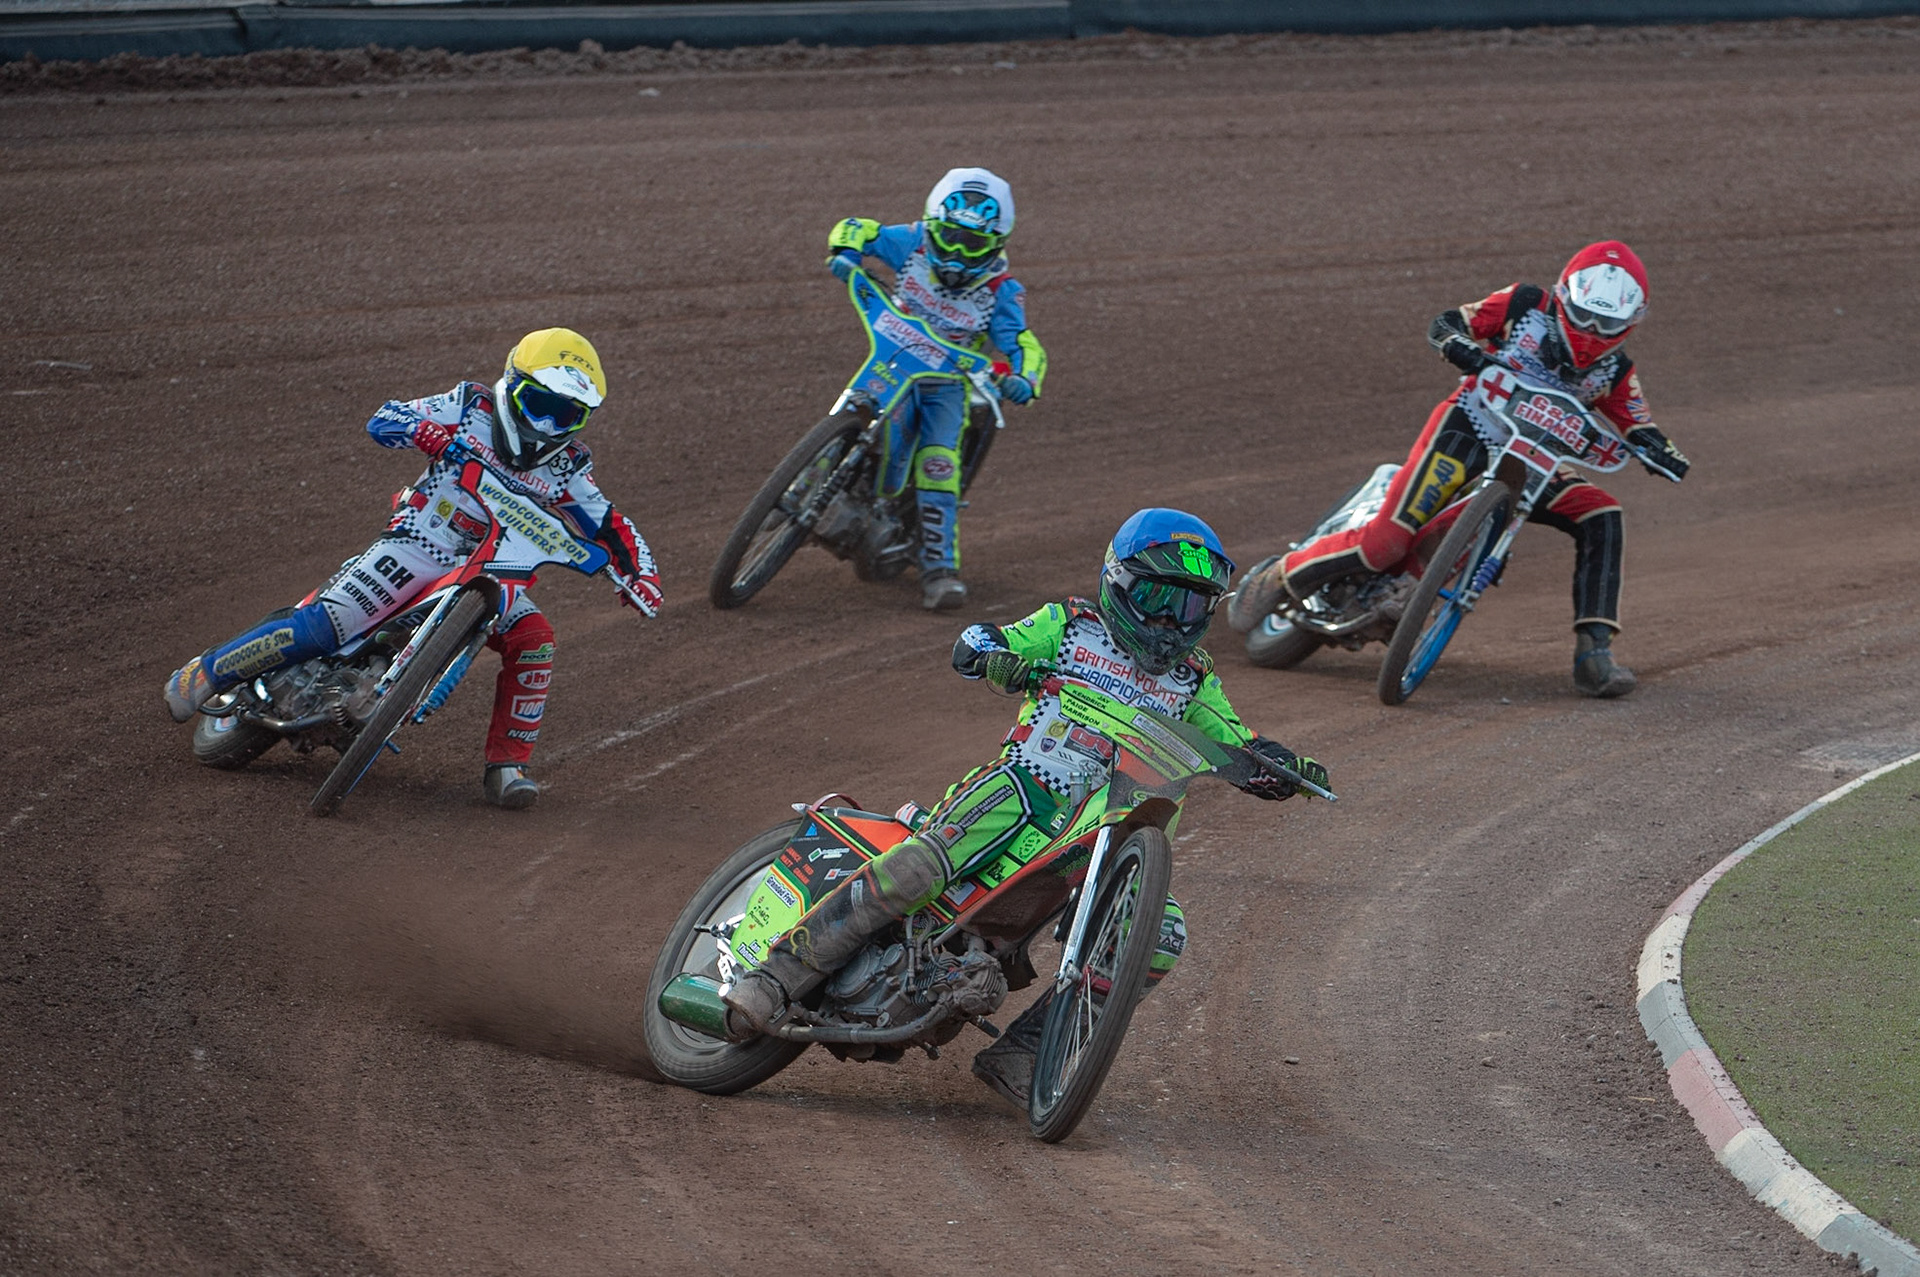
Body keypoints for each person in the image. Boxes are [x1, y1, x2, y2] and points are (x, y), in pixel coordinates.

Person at [720, 508, 1328, 1108]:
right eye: (1159, 597)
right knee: (920, 869)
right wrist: (993, 654)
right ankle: (775, 978)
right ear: (1118, 583)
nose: (1173, 620)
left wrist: (1275, 768)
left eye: (1192, 605)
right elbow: (982, 640)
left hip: (1103, 828)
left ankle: (1028, 1054)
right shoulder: (1070, 626)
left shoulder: (1194, 680)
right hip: (1021, 791)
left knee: (1160, 932)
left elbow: (1235, 739)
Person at [162, 328, 663, 809]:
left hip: (500, 568)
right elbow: (386, 416)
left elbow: (609, 523)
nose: (548, 426)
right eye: (541, 406)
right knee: (330, 624)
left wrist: (642, 574)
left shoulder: (567, 467)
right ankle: (206, 672)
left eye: (567, 416)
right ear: (512, 386)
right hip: (421, 542)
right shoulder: (471, 407)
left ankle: (508, 769)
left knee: (535, 640)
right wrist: (417, 429)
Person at [1265, 241, 1689, 697]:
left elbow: (1638, 423)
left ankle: (1594, 654)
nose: (1591, 330)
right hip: (1468, 430)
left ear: (1630, 323)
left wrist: (1660, 450)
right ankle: (1278, 577)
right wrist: (1456, 343)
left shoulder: (1616, 372)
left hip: (1537, 465)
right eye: (1584, 315)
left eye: (1606, 323)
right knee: (1385, 545)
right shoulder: (1526, 305)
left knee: (1602, 514)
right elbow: (1452, 321)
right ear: (1564, 297)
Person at [825, 166, 1048, 610]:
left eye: (974, 242)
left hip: (946, 384)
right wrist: (845, 250)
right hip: (893, 358)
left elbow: (1022, 342)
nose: (959, 250)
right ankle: (807, 484)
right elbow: (859, 228)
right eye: (951, 235)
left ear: (997, 243)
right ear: (933, 224)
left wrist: (1025, 378)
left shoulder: (1003, 289)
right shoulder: (911, 242)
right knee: (856, 407)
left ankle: (938, 569)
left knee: (938, 462)